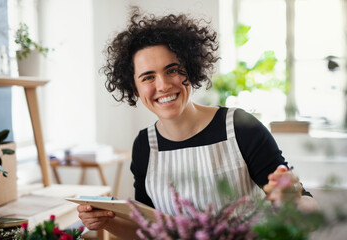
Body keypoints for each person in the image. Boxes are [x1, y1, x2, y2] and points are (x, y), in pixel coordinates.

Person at [77, 7, 318, 239]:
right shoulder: (144, 145)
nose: (162, 85)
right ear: (134, 88)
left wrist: (292, 198)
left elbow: (309, 209)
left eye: (172, 70)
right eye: (148, 77)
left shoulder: (240, 127)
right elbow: (148, 231)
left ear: (190, 70)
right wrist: (106, 221)